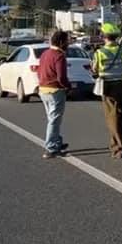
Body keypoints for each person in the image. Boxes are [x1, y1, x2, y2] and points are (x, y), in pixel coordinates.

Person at [92, 23, 122, 159]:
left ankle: (118, 149)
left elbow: (95, 70)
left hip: (109, 87)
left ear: (104, 36)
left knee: (112, 118)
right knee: (121, 116)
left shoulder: (100, 53)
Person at [37, 31, 71, 159]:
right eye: (67, 41)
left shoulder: (45, 54)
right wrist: (68, 86)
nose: (68, 43)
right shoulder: (59, 55)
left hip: (43, 89)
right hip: (55, 91)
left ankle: (57, 142)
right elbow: (61, 76)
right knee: (54, 120)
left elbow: (39, 71)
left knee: (52, 119)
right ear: (61, 42)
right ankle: (51, 148)